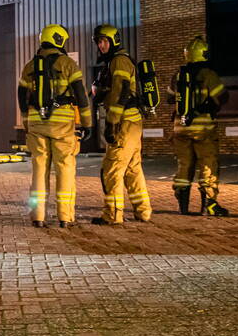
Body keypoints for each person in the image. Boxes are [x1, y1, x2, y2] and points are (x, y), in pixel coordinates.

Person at [17, 23, 91, 228]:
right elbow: (81, 96)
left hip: (36, 124)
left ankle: (37, 216)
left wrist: (26, 122)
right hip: (62, 127)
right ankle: (65, 217)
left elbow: (22, 97)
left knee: (39, 170)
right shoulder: (67, 64)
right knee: (65, 169)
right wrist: (86, 123)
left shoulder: (30, 66)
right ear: (59, 40)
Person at [90, 24, 152, 224]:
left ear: (114, 41)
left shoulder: (118, 61)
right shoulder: (116, 61)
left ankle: (113, 215)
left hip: (123, 123)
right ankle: (143, 212)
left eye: (104, 41)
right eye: (99, 42)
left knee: (111, 169)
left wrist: (111, 124)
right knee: (133, 169)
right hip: (132, 122)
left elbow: (120, 91)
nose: (101, 45)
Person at [168, 35, 229, 216]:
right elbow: (223, 97)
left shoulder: (178, 75)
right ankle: (209, 203)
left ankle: (183, 205)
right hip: (203, 129)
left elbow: (169, 98)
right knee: (208, 164)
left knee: (183, 165)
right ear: (203, 54)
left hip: (180, 128)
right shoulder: (208, 75)